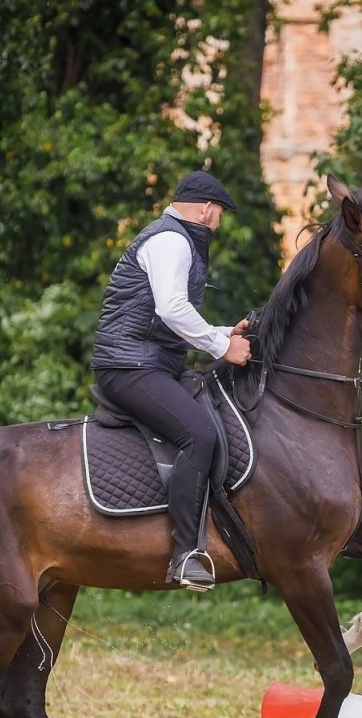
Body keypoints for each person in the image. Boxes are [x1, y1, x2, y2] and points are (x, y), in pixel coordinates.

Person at [91, 171, 252, 592]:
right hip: (130, 368)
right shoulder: (172, 240)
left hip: (150, 363)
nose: (217, 225)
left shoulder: (172, 238)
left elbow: (166, 320)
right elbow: (172, 309)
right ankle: (185, 554)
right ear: (206, 208)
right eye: (218, 216)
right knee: (199, 436)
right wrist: (222, 346)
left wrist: (222, 333)